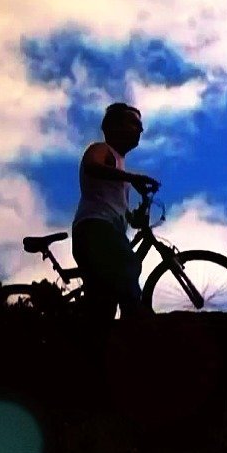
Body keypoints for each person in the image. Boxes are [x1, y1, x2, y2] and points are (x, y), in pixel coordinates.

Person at [71, 102, 160, 322]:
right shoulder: (101, 149)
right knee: (127, 265)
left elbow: (114, 205)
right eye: (132, 123)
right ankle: (138, 322)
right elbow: (92, 166)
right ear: (112, 126)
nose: (139, 130)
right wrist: (132, 177)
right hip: (96, 227)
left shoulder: (119, 163)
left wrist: (134, 216)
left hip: (104, 229)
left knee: (103, 303)